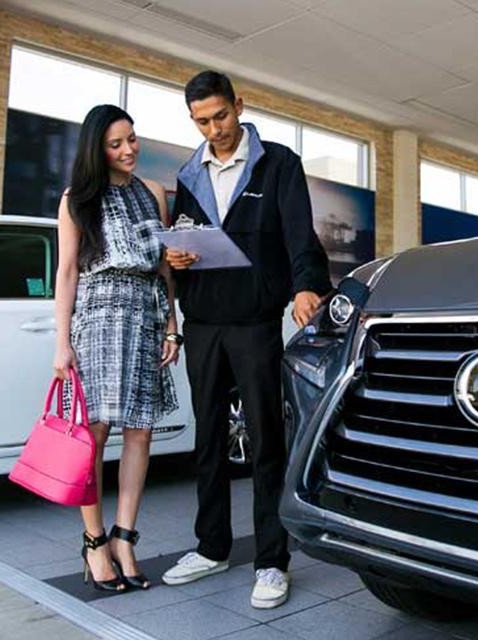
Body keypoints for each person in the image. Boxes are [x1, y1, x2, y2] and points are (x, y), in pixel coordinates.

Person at [161, 71, 331, 608]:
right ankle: (211, 546)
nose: (214, 129)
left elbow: (300, 235)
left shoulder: (278, 163)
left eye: (220, 116)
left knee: (264, 442)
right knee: (208, 439)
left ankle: (271, 561)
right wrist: (176, 259)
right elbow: (183, 243)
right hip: (204, 322)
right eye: (202, 121)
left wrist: (307, 287)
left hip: (255, 323)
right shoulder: (190, 174)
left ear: (239, 104)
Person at [53, 104, 181, 593]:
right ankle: (94, 541)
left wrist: (172, 326)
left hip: (145, 316)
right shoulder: (77, 199)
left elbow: (165, 268)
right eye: (115, 143)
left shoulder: (153, 194)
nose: (128, 150)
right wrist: (61, 343)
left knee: (141, 431)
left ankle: (126, 538)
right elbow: (67, 273)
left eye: (132, 138)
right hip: (99, 317)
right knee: (95, 433)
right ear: (97, 149)